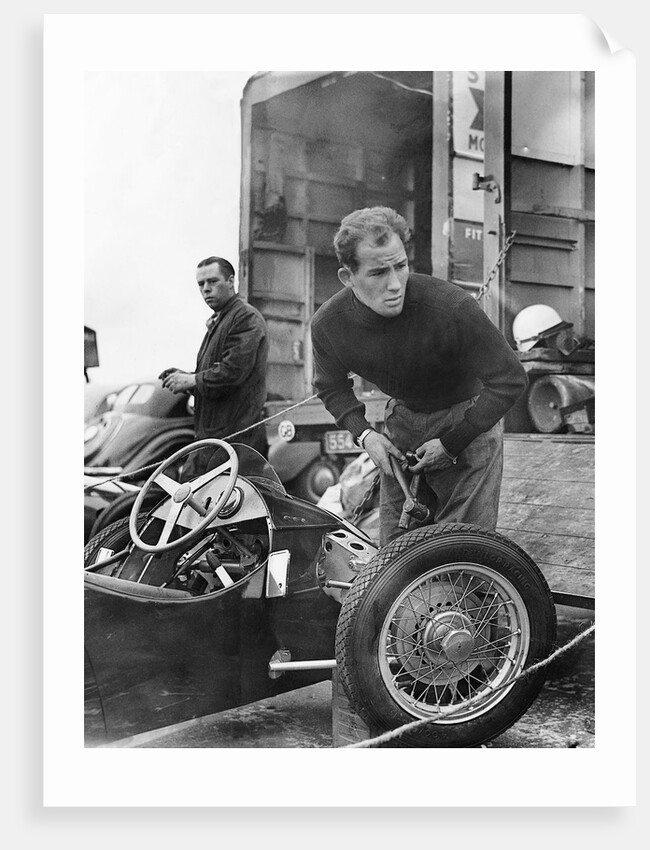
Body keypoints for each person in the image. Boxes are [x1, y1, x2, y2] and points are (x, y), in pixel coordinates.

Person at [310, 207, 528, 547]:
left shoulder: (452, 308)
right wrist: (365, 434)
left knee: (461, 551)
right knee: (395, 555)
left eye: (400, 266)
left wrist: (453, 443)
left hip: (467, 422)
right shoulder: (328, 325)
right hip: (403, 423)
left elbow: (511, 379)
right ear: (347, 276)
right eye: (378, 272)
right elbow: (330, 386)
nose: (395, 284)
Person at [159, 256, 269, 465]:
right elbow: (218, 381)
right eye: (201, 284)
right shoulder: (222, 321)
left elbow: (233, 373)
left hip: (237, 443)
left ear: (231, 281)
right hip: (216, 441)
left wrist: (192, 380)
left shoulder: (245, 318)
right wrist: (187, 379)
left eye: (212, 281)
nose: (206, 289)